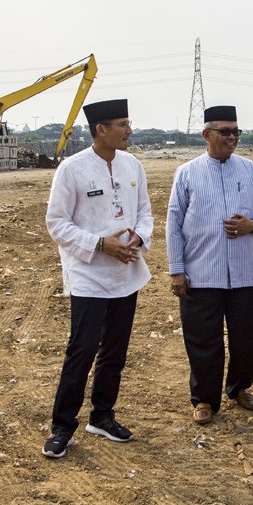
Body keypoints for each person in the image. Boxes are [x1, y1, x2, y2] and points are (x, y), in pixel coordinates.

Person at [42, 99, 153, 458]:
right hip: (89, 274)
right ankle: (63, 426)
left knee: (115, 352)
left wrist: (139, 236)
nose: (130, 130)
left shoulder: (132, 164)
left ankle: (102, 416)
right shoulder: (72, 169)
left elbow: (145, 211)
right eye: (123, 124)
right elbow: (56, 223)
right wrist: (99, 245)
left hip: (126, 273)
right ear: (101, 130)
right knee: (82, 351)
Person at [166, 105, 253, 425]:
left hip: (245, 272)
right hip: (202, 273)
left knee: (249, 337)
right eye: (225, 132)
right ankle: (204, 398)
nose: (232, 137)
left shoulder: (251, 170)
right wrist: (177, 270)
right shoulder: (187, 172)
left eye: (236, 132)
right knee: (203, 341)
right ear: (207, 135)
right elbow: (173, 225)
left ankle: (239, 388)